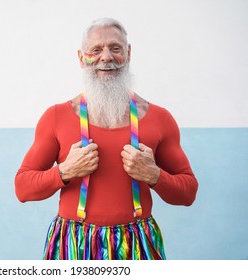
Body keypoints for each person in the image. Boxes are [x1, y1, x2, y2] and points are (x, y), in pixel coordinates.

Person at [14, 17, 198, 260]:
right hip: (73, 243)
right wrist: (65, 171)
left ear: (128, 53)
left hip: (138, 243)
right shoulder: (55, 117)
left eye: (115, 48)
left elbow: (188, 193)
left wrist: (155, 175)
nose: (106, 57)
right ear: (81, 58)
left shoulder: (160, 119)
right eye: (96, 50)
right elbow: (23, 188)